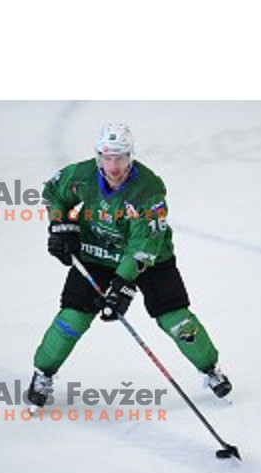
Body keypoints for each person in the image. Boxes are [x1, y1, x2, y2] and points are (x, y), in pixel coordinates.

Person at [27, 123, 232, 406]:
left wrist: (121, 285)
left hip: (150, 260)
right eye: (107, 158)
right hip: (96, 253)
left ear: (131, 157)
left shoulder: (148, 190)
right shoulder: (81, 176)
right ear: (98, 157)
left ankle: (211, 369)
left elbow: (143, 247)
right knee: (72, 318)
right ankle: (43, 373)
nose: (113, 166)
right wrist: (60, 223)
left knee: (176, 319)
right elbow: (52, 191)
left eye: (120, 157)